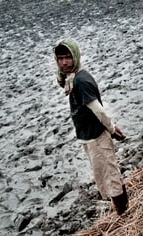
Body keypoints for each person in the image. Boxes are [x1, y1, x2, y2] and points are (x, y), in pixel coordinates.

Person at [53, 40, 128, 215]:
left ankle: (124, 214)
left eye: (68, 58)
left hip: (96, 136)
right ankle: (122, 210)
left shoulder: (81, 81)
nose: (64, 63)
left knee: (111, 175)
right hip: (87, 135)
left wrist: (111, 128)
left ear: (76, 57)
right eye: (60, 58)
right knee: (103, 174)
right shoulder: (72, 79)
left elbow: (98, 110)